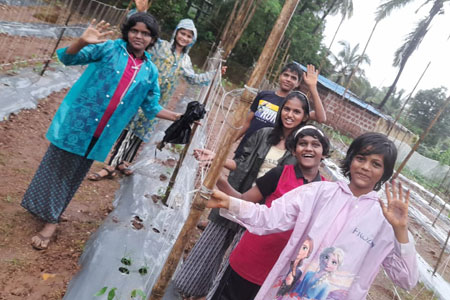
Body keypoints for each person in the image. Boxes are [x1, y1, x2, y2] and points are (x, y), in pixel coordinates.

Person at [21, 14, 182, 250]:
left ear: (152, 39)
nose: (139, 36)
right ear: (127, 32)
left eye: (145, 33)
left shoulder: (150, 71)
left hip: (102, 133)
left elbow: (151, 107)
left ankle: (52, 216)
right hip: (79, 122)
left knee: (74, 173)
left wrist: (179, 117)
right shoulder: (109, 49)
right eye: (135, 31)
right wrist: (83, 42)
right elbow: (67, 57)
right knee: (56, 166)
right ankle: (46, 214)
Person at [208, 132, 418, 299]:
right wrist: (231, 203)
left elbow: (407, 280)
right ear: (351, 160)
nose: (365, 167)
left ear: (385, 172)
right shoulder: (319, 193)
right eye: (361, 158)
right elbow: (269, 218)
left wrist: (400, 230)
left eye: (376, 164)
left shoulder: (384, 219)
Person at [174, 92, 313, 299]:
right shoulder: (264, 134)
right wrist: (216, 159)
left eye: (296, 111)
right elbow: (240, 162)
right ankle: (190, 289)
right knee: (211, 245)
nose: (290, 115)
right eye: (287, 109)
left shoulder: (300, 149)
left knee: (237, 259)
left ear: (304, 117)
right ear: (280, 109)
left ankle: (214, 294)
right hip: (238, 195)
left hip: (264, 210)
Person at [88, 0, 224, 180]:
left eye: (188, 36)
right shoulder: (160, 46)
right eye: (182, 33)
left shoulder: (185, 60)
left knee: (141, 133)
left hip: (159, 101)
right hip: (140, 94)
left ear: (192, 40)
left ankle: (124, 162)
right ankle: (110, 165)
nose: (184, 38)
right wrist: (138, 12)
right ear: (176, 32)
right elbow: (138, 34)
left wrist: (214, 75)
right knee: (127, 128)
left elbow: (194, 78)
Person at [210, 126, 330, 300]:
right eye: (302, 143)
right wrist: (218, 178)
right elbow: (244, 200)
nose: (308, 148)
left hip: (281, 273)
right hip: (250, 260)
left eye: (315, 144)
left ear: (324, 153)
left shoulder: (326, 192)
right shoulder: (279, 174)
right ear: (294, 150)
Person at [234, 63, 326, 158]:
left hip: (265, 154)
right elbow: (248, 123)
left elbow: (321, 118)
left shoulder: (294, 107)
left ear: (298, 83)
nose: (288, 79)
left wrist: (313, 87)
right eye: (286, 75)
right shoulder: (264, 96)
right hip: (246, 146)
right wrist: (231, 141)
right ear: (280, 76)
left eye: (293, 78)